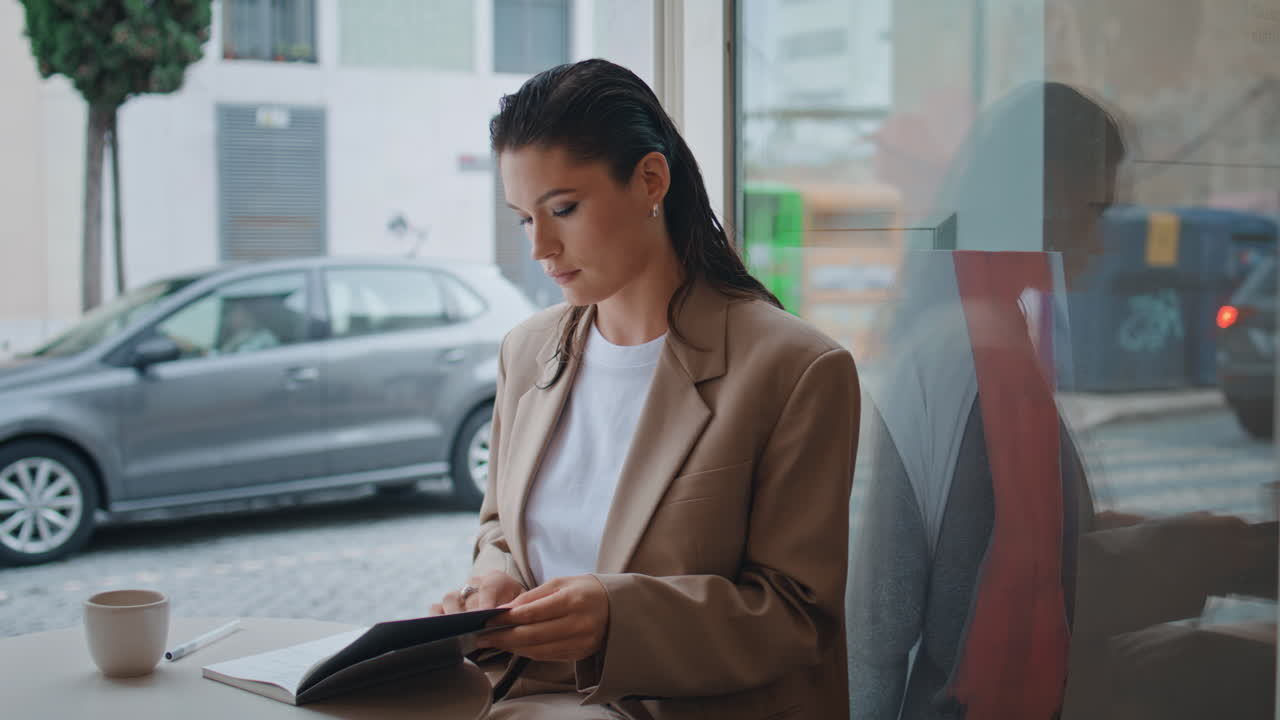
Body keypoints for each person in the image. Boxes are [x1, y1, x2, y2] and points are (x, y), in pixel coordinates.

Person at [429, 59, 861, 719]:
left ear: (651, 180)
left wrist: (617, 618)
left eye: (564, 209)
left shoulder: (797, 370)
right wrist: (495, 582)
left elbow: (798, 616)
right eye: (523, 219)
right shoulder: (528, 350)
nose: (541, 246)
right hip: (522, 699)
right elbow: (501, 530)